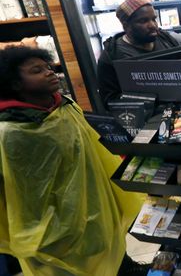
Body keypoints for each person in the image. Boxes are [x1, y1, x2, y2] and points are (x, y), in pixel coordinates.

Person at [0, 46, 142, 275]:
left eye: (48, 67)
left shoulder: (65, 107)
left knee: (107, 245)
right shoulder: (11, 130)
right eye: (37, 71)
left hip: (91, 199)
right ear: (14, 83)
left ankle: (124, 267)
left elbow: (94, 151)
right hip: (48, 220)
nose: (49, 73)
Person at [97, 0, 181, 108]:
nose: (153, 25)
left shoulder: (166, 39)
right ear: (126, 25)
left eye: (154, 19)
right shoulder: (111, 56)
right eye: (143, 21)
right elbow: (110, 101)